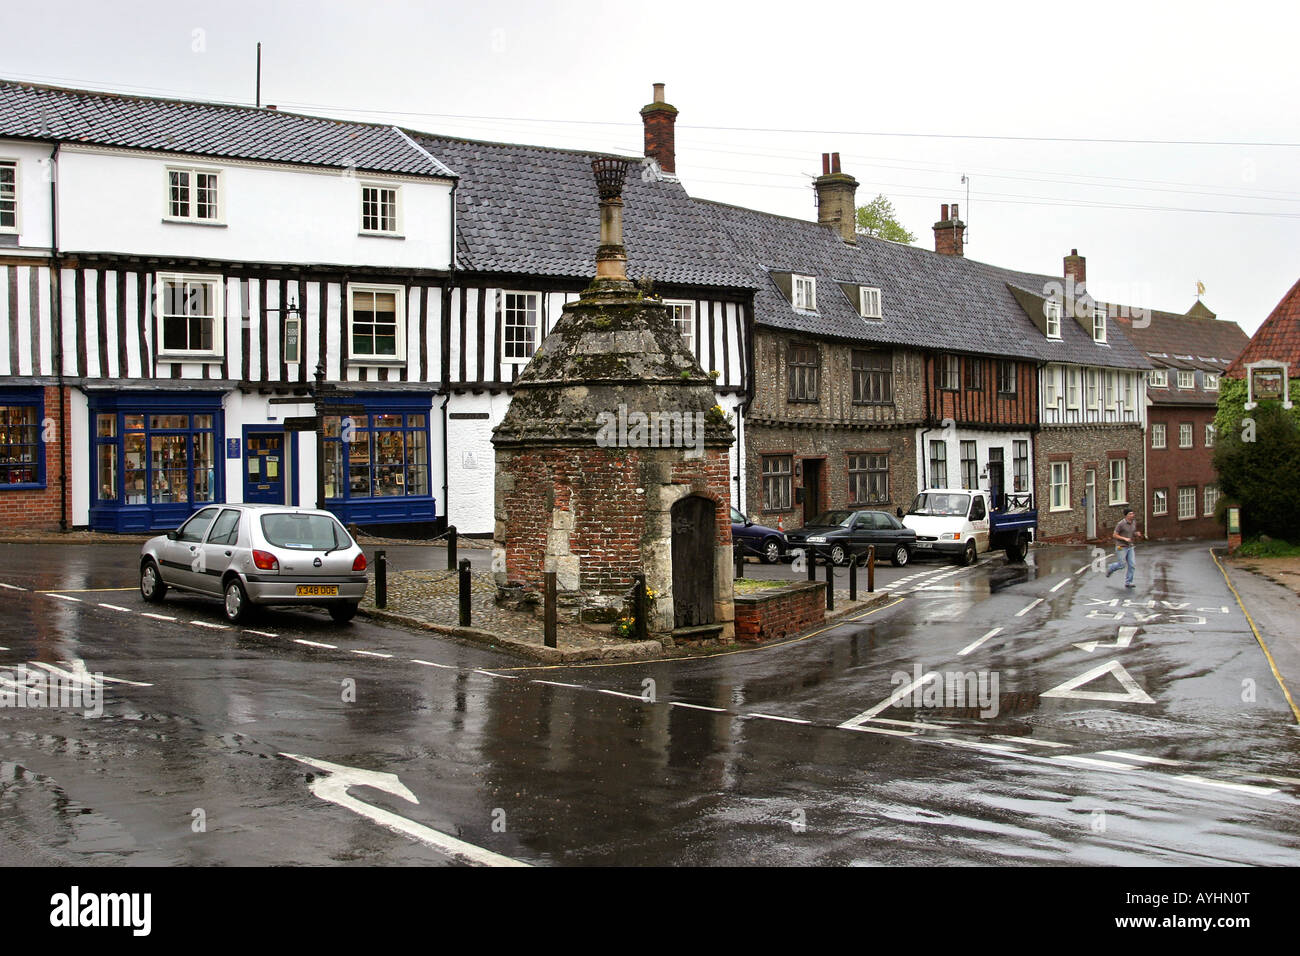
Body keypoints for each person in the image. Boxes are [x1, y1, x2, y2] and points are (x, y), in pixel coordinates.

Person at [1106, 508, 1141, 587]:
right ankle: (1111, 567)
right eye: (1130, 514)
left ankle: (1128, 582)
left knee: (1132, 565)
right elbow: (1114, 535)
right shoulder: (1121, 524)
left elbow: (1132, 532)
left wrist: (1136, 534)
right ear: (1126, 515)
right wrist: (1124, 538)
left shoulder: (1133, 523)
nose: (1132, 515)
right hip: (1121, 546)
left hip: (1130, 546)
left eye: (1133, 513)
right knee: (1121, 565)